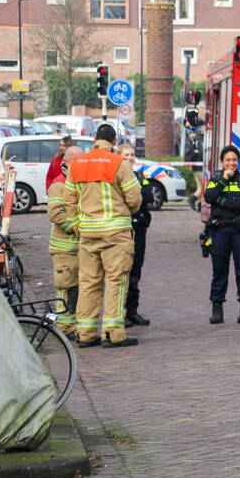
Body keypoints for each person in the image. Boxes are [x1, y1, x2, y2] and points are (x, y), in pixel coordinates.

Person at [63, 124, 142, 348]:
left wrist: (78, 224)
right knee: (116, 281)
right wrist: (126, 212)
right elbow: (134, 198)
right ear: (114, 142)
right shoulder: (119, 163)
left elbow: (68, 201)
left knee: (88, 283)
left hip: (88, 234)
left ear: (95, 139)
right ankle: (113, 334)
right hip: (116, 234)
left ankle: (85, 334)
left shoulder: (77, 164)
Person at [202, 145, 240, 324]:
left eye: (234, 160)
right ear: (222, 162)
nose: (231, 163)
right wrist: (224, 181)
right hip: (220, 231)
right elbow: (209, 197)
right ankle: (217, 307)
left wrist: (222, 201)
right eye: (228, 160)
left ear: (238, 161)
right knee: (219, 271)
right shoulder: (216, 179)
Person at [45, 145, 84, 339]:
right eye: (76, 161)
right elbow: (55, 213)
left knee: (76, 288)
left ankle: (72, 324)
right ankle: (64, 327)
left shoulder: (77, 182)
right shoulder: (59, 184)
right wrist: (78, 228)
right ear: (65, 163)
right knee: (66, 288)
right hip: (65, 248)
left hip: (77, 248)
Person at [118, 144, 152, 328]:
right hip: (123, 229)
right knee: (122, 271)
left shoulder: (139, 175)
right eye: (126, 155)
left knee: (136, 271)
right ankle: (119, 312)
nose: (130, 158)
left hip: (139, 229)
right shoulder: (117, 176)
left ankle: (133, 311)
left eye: (132, 155)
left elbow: (147, 197)